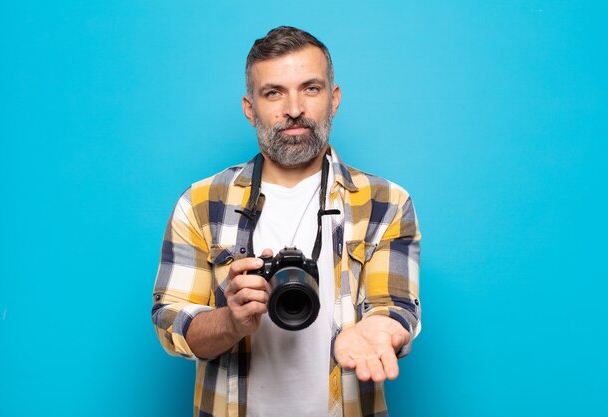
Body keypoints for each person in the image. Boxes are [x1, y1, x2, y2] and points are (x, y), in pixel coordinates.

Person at [152, 26, 421, 417]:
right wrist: (231, 319)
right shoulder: (200, 203)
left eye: (310, 88)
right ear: (250, 108)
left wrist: (382, 328)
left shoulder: (387, 203)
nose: (294, 108)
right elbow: (170, 322)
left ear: (334, 99)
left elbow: (393, 305)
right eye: (273, 92)